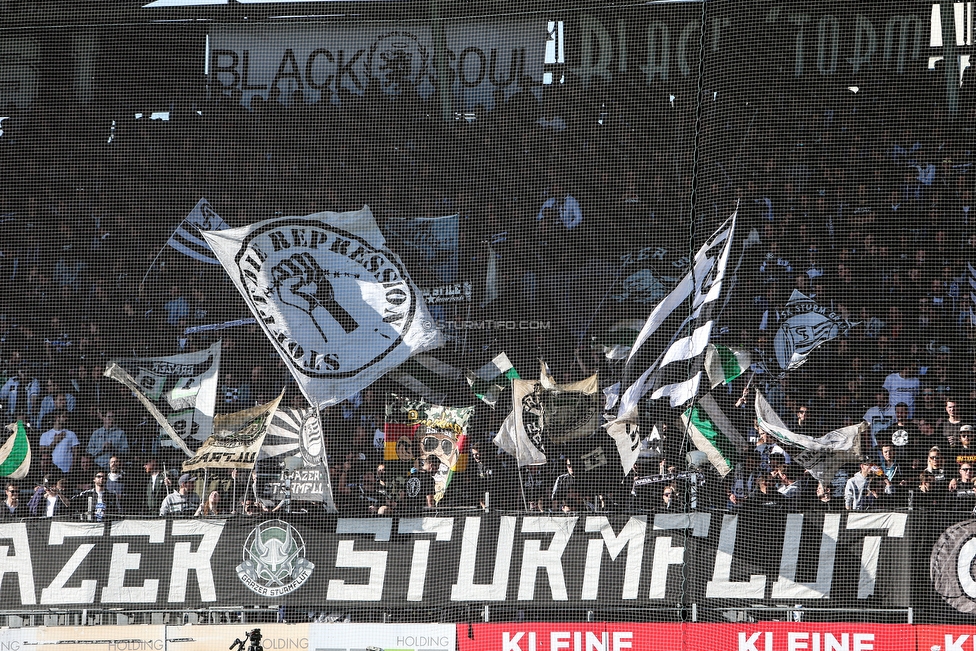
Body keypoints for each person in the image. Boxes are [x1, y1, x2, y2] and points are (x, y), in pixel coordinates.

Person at [39, 410, 80, 475]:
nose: (66, 419)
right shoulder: (45, 435)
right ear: (57, 418)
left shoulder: (71, 434)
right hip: (51, 470)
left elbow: (76, 453)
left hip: (67, 469)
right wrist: (55, 441)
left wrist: (73, 467)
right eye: (63, 416)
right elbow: (42, 452)